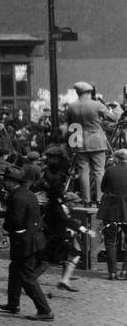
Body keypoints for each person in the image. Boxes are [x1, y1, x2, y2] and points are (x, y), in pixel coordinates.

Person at [0, 163, 54, 321]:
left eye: (5, 180)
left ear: (12, 181)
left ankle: (45, 310)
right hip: (30, 240)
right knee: (15, 270)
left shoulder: (16, 196)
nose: (3, 183)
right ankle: (13, 303)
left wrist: (5, 223)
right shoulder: (26, 193)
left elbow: (16, 222)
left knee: (27, 277)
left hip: (25, 242)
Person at [64, 81, 111, 203]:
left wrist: (72, 144)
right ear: (89, 92)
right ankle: (100, 199)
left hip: (79, 141)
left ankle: (86, 199)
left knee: (83, 171)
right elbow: (113, 118)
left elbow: (71, 126)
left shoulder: (71, 106)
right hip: (96, 141)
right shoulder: (96, 105)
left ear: (77, 92)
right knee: (99, 171)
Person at [98, 148, 127, 279]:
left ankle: (112, 272)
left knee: (110, 241)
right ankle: (125, 271)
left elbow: (103, 188)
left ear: (117, 159)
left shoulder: (110, 170)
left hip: (111, 210)